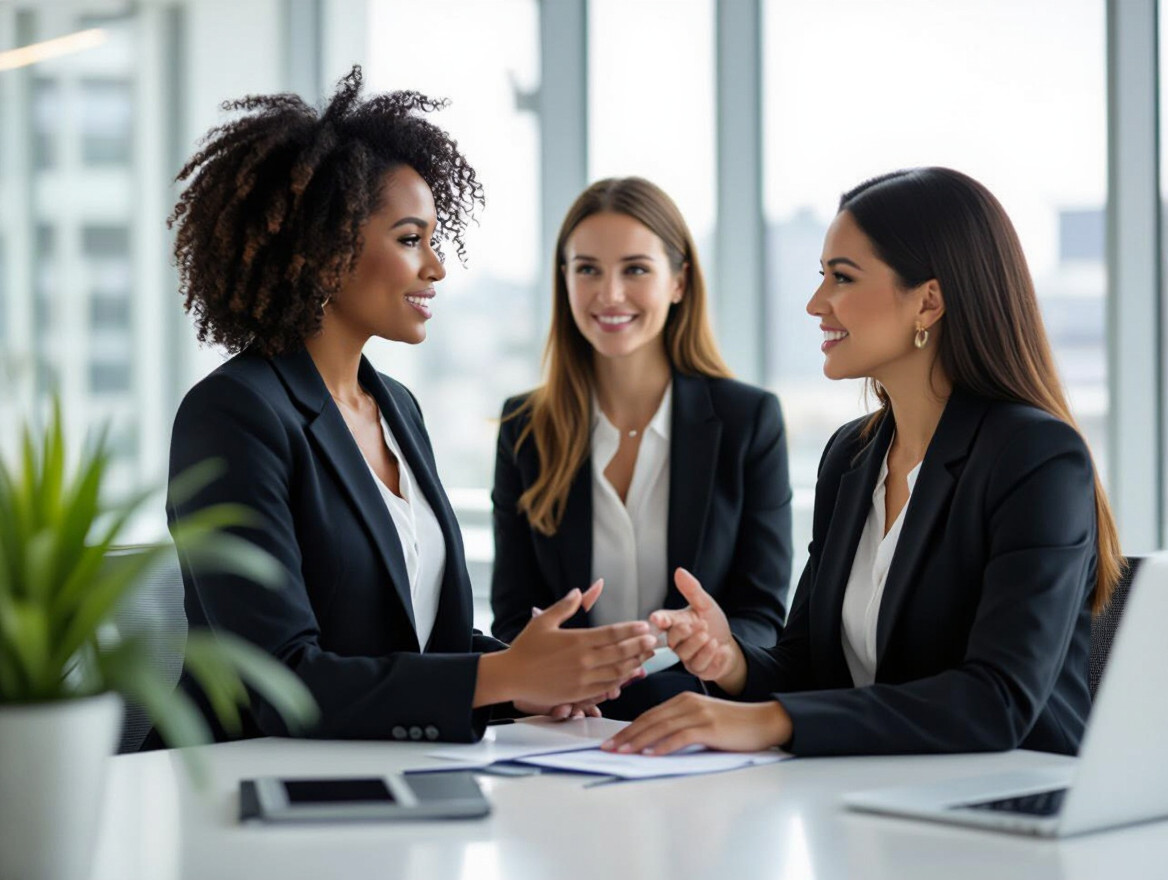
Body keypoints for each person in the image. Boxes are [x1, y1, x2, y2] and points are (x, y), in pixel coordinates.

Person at [162, 67, 656, 745]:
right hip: (245, 789)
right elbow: (280, 683)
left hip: (386, 780)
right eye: (408, 238)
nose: (436, 266)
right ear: (324, 250)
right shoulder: (232, 416)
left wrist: (544, 677)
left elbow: (426, 641)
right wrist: (507, 678)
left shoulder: (397, 407)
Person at [603, 167, 1123, 756]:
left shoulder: (1036, 458)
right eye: (821, 276)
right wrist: (733, 664)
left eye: (842, 278)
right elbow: (811, 667)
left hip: (1010, 810)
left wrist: (770, 721)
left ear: (928, 301)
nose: (815, 303)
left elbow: (996, 702)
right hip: (868, 799)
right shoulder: (851, 455)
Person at [491, 177, 793, 719]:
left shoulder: (749, 421)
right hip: (569, 729)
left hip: (698, 720)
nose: (609, 294)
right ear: (564, 280)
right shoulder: (525, 426)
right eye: (587, 269)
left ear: (678, 281)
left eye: (635, 269)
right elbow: (515, 613)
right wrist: (551, 677)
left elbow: (763, 613)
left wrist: (716, 651)